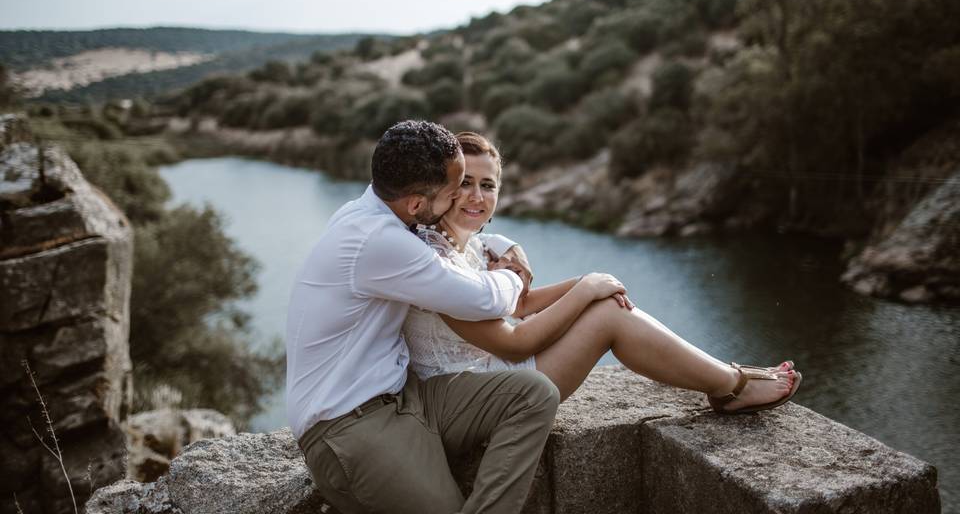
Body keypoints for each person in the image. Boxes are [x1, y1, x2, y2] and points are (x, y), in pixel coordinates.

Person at [403, 131, 801, 411]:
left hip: (489, 375)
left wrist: (584, 283)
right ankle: (731, 387)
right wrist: (587, 289)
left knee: (604, 299)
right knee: (608, 314)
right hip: (477, 396)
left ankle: (727, 378)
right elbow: (515, 341)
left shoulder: (466, 243)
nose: (476, 196)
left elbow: (518, 305)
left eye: (487, 185)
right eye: (465, 183)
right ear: (443, 186)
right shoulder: (434, 261)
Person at [286, 121, 568, 514]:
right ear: (417, 204)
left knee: (532, 392)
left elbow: (469, 246)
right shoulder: (380, 241)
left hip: (405, 398)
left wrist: (504, 243)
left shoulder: (369, 211)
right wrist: (512, 274)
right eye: (454, 192)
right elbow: (482, 299)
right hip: (347, 427)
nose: (460, 200)